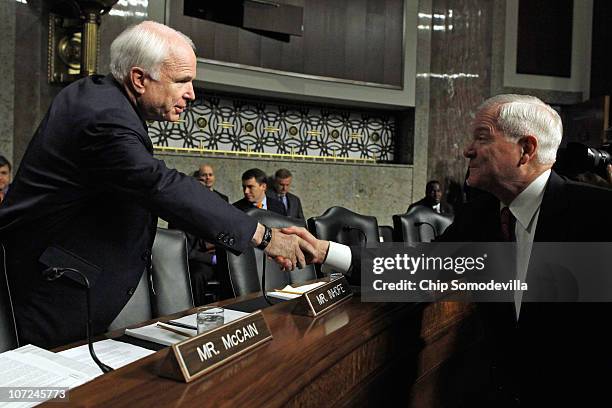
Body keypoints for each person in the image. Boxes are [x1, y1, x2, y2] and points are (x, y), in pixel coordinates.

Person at [0, 21, 312, 349]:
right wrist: (264, 237)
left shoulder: (102, 99)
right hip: (47, 292)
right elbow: (160, 185)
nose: (191, 93)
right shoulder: (103, 117)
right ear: (139, 79)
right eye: (182, 81)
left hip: (63, 283)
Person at [285, 94, 612, 404]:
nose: (468, 150)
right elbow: (425, 267)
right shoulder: (482, 214)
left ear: (525, 149)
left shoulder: (597, 213)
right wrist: (327, 251)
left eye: (482, 138)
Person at [169, 164, 228, 305]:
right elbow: (186, 251)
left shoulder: (219, 204)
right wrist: (212, 259)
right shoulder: (178, 213)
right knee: (196, 275)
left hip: (220, 257)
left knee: (237, 272)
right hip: (200, 260)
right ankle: (197, 311)